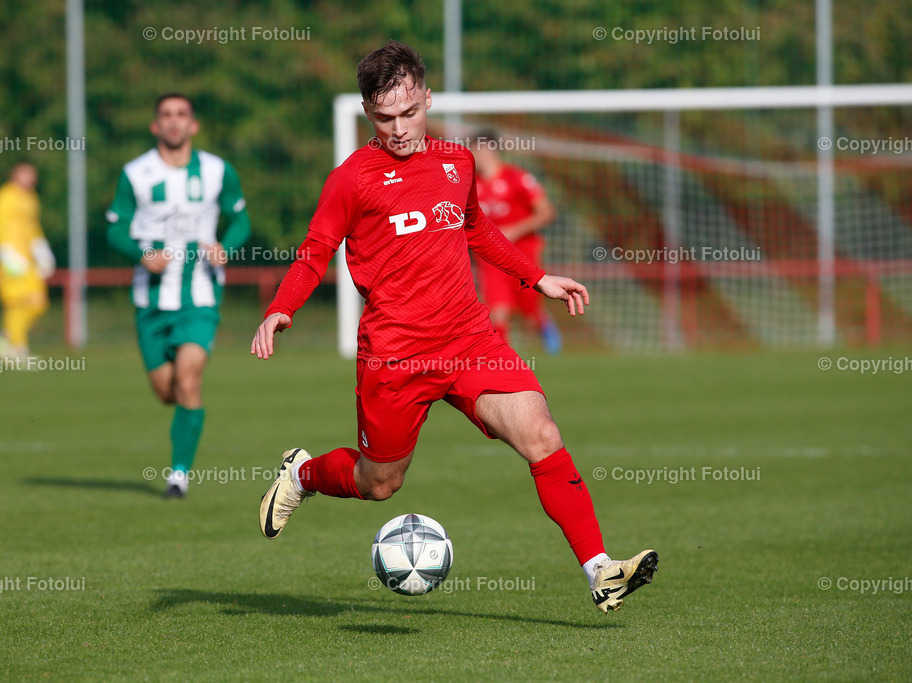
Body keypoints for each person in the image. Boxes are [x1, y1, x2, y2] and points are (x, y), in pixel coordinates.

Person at [252, 41, 657, 613]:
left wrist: (535, 278)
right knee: (379, 484)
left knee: (541, 434)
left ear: (427, 98)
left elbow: (477, 230)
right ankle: (304, 475)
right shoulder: (351, 178)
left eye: (409, 113)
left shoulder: (456, 161)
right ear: (369, 113)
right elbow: (316, 248)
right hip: (395, 352)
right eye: (385, 117)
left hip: (469, 338)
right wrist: (281, 307)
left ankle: (600, 570)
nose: (399, 128)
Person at [106, 93, 251, 498]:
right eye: (166, 115)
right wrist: (140, 253)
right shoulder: (135, 173)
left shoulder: (217, 170)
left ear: (193, 124)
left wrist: (227, 246)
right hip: (151, 301)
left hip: (200, 295)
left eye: (182, 114)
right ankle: (182, 425)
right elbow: (114, 229)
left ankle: (179, 476)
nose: (174, 122)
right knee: (168, 391)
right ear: (155, 125)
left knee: (189, 380)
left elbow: (240, 218)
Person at [470, 129, 562, 353]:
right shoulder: (471, 184)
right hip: (491, 256)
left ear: (491, 150)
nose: (472, 154)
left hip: (524, 253)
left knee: (528, 306)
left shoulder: (517, 177)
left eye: (476, 149)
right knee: (498, 310)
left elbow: (547, 212)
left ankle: (541, 322)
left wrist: (514, 230)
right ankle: (503, 361)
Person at [0, 163, 54, 360]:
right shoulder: (4, 196)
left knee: (38, 303)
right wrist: (5, 253)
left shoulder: (31, 198)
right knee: (16, 303)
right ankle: (17, 348)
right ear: (14, 175)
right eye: (26, 175)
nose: (30, 179)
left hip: (28, 261)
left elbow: (33, 227)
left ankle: (6, 335)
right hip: (10, 260)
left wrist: (42, 251)